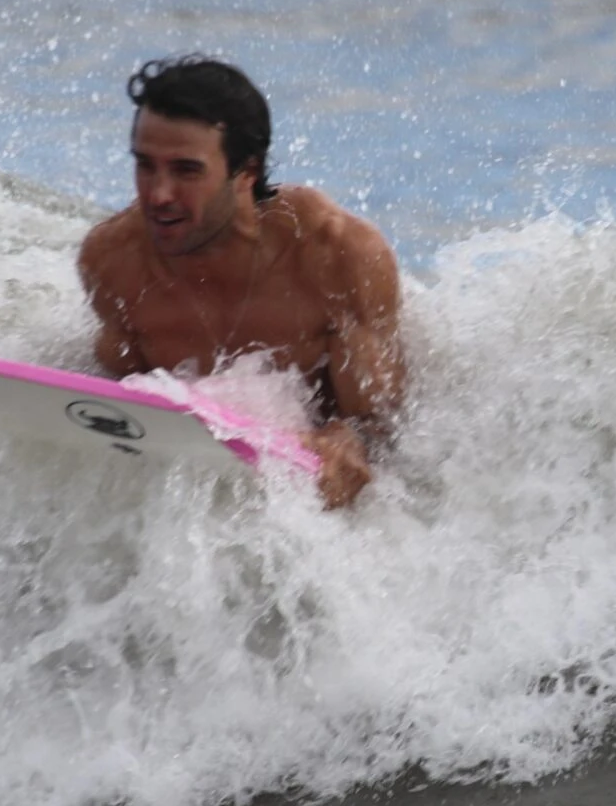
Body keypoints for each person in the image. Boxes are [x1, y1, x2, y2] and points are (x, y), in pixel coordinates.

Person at [78, 56, 404, 509]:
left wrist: (349, 441)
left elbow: (384, 427)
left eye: (186, 171)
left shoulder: (338, 257)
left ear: (246, 172)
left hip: (317, 511)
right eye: (145, 165)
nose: (158, 194)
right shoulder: (113, 263)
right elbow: (118, 411)